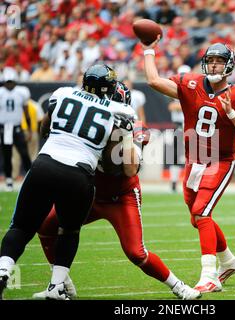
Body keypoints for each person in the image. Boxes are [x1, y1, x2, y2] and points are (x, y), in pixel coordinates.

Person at [32, 81, 201, 300]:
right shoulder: (88, 125)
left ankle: (179, 286)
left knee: (136, 253)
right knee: (46, 226)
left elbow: (130, 170)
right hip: (89, 194)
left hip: (121, 197)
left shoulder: (137, 130)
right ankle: (61, 284)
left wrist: (126, 135)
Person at [0, 64, 135, 300]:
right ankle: (56, 287)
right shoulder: (121, 111)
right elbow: (113, 163)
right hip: (79, 175)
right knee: (69, 231)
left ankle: (3, 272)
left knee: (21, 227)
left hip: (45, 165)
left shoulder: (62, 93)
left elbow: (44, 128)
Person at [142, 39, 235, 293]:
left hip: (220, 160)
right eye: (211, 60)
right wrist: (148, 48)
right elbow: (153, 81)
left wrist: (231, 113)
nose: (214, 65)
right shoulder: (190, 83)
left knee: (202, 212)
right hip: (193, 158)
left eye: (219, 61)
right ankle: (229, 261)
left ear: (229, 65)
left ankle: (210, 275)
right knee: (197, 217)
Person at [0, 71, 32, 191]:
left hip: (17, 128)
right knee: (7, 155)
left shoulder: (21, 92)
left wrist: (28, 129)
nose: (9, 85)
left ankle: (30, 177)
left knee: (24, 153)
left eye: (11, 82)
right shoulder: (1, 93)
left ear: (15, 82)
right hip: (5, 128)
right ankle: (9, 179)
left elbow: (26, 112)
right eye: (7, 82)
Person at [167, 65, 190, 193]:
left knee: (194, 155)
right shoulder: (173, 88)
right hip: (178, 125)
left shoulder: (193, 89)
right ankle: (174, 182)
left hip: (190, 124)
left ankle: (190, 182)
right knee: (175, 155)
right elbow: (171, 106)